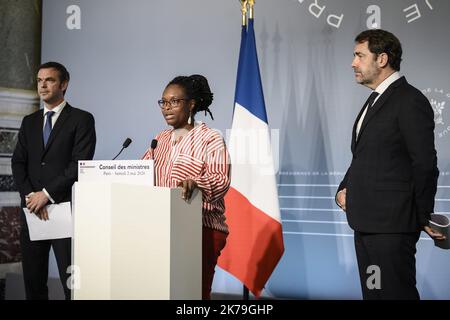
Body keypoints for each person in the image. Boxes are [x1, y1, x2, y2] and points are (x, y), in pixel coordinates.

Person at [335, 29, 444, 300]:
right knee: (375, 294)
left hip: (392, 229)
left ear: (382, 59)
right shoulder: (375, 100)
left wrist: (422, 215)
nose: (353, 63)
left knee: (394, 294)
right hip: (366, 224)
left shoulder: (409, 100)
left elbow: (425, 163)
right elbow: (365, 155)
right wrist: (344, 188)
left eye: (360, 55)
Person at [11, 61, 96, 299]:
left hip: (64, 209)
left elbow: (79, 164)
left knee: (73, 285)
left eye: (49, 80)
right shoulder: (30, 121)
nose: (43, 85)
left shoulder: (82, 119)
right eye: (39, 80)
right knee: (34, 283)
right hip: (32, 210)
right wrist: (30, 196)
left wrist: (45, 195)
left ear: (64, 84)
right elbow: (18, 162)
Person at [142, 74, 230, 299]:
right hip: (162, 226)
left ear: (191, 104)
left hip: (201, 227)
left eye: (174, 101)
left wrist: (196, 183)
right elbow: (140, 175)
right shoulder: (159, 139)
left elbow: (220, 180)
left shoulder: (210, 138)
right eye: (163, 102)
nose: (166, 108)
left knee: (193, 294)